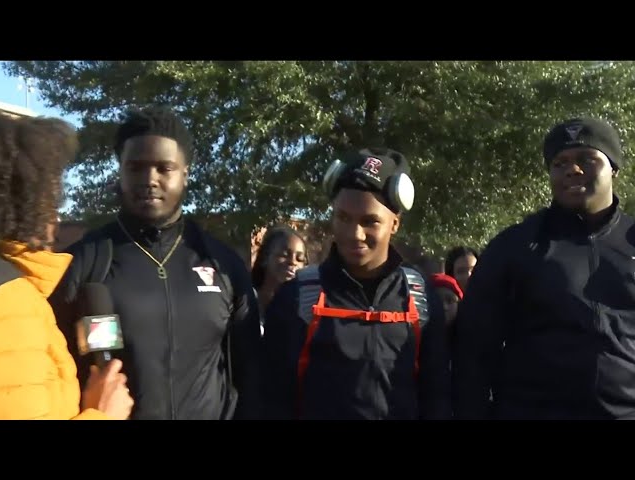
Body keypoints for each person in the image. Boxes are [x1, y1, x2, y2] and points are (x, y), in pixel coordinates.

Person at [49, 106, 261, 420]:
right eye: (136, 168)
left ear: (185, 172)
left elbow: (251, 373)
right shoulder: (83, 262)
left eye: (164, 168)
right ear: (120, 170)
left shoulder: (223, 265)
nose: (149, 179)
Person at [453, 117, 635, 420]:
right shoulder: (514, 247)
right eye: (560, 163)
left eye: (587, 159)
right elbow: (473, 352)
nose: (572, 169)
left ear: (614, 168)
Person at [262, 147, 450, 420]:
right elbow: (272, 398)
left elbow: (437, 397)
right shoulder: (298, 299)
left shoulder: (421, 301)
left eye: (370, 221)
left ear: (394, 224)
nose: (354, 234)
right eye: (343, 218)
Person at [0, 112, 133, 420]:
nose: (56, 219)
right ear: (25, 202)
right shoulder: (8, 304)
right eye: (52, 201)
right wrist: (103, 413)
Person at [251, 224, 309, 334]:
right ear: (265, 258)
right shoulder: (244, 302)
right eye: (284, 254)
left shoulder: (304, 312)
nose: (293, 262)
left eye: (300, 259)